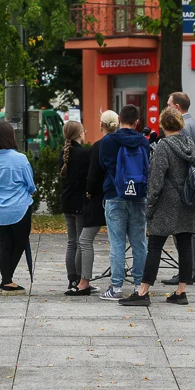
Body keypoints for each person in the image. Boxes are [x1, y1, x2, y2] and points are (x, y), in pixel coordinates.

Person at [119, 108, 195, 306]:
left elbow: (155, 180)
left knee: (155, 246)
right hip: (187, 201)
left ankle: (142, 292)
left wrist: (150, 205)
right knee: (184, 246)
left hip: (166, 203)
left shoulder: (163, 146)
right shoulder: (189, 144)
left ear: (163, 125)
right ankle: (181, 292)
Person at [99, 104, 149, 300]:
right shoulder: (143, 142)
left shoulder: (109, 141)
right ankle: (139, 285)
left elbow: (104, 165)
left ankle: (116, 287)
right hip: (138, 195)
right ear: (137, 122)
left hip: (114, 194)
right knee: (139, 243)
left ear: (119, 119)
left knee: (117, 243)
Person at [66, 110, 119, 296]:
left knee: (83, 240)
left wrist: (89, 192)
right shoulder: (126, 143)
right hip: (126, 195)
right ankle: (135, 282)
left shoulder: (99, 146)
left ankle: (82, 281)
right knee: (125, 241)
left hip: (99, 199)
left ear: (101, 125)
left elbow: (93, 175)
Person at [0, 121, 34, 295]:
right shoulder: (20, 158)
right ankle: (7, 281)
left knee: (4, 244)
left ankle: (6, 280)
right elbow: (30, 184)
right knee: (19, 243)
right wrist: (31, 191)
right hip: (19, 208)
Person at [163, 91, 195, 285]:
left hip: (185, 185)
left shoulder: (183, 127)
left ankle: (188, 271)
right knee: (191, 229)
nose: (167, 107)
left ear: (177, 107)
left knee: (184, 230)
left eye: (169, 104)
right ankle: (190, 270)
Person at [59, 121, 90, 290]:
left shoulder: (64, 154)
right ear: (79, 134)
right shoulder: (84, 154)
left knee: (71, 242)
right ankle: (79, 279)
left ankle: (71, 278)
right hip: (80, 202)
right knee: (80, 242)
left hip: (67, 201)